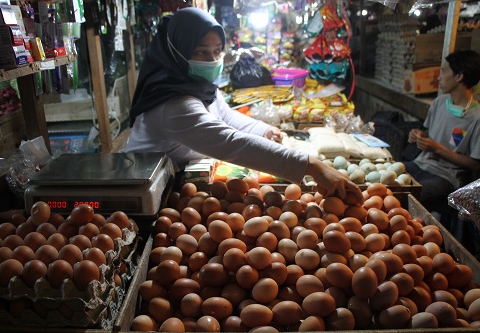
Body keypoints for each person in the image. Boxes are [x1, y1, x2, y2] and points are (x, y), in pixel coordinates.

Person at [122, 7, 362, 201]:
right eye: (201, 52)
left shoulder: (194, 84)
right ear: (176, 51)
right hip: (150, 192)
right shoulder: (174, 103)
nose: (213, 60)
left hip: (181, 178)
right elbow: (229, 142)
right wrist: (312, 166)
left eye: (217, 51)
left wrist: (263, 129)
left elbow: (225, 116)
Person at [405, 50, 480, 216]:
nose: (439, 77)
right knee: (390, 177)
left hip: (446, 176)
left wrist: (438, 149)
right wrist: (418, 135)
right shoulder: (439, 103)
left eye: (444, 71)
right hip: (421, 163)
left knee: (410, 195)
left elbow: (475, 164)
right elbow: (429, 133)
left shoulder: (476, 118)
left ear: (459, 76)